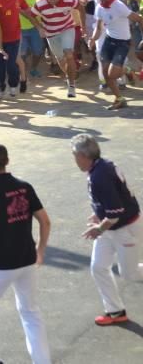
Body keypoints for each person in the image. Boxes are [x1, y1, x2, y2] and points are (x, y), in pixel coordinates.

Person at [0, 143, 52, 364]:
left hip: (1, 265)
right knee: (31, 312)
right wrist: (40, 251)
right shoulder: (24, 187)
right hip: (27, 260)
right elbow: (45, 221)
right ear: (7, 161)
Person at [70, 134, 143, 326]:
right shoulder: (101, 166)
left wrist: (99, 228)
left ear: (83, 156)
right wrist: (99, 214)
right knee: (99, 267)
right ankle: (115, 311)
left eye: (74, 155)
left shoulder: (99, 176)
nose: (74, 159)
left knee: (130, 274)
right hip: (111, 227)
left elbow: (116, 212)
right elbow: (113, 204)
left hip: (125, 229)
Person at [88, 0, 143, 110]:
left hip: (122, 43)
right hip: (108, 41)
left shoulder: (119, 6)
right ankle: (119, 99)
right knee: (106, 74)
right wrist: (92, 39)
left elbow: (139, 19)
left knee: (112, 74)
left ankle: (128, 71)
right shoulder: (99, 7)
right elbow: (98, 27)